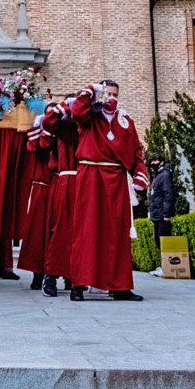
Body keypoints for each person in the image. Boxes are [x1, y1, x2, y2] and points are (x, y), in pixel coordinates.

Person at [68, 80, 149, 302]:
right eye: (107, 93)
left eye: (114, 94)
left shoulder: (125, 120)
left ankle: (120, 286)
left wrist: (139, 174)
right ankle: (79, 284)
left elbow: (135, 151)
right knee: (87, 230)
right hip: (91, 176)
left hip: (116, 180)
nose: (111, 98)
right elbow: (76, 111)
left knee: (117, 233)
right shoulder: (89, 116)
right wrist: (90, 91)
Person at [41, 94, 79, 297]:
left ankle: (76, 277)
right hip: (65, 181)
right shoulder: (61, 126)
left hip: (86, 182)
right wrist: (65, 106)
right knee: (61, 232)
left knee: (82, 234)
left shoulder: (89, 124)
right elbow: (47, 126)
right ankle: (51, 275)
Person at [18, 105, 56, 290]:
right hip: (41, 187)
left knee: (60, 234)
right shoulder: (37, 132)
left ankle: (66, 275)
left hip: (58, 186)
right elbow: (34, 146)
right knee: (37, 234)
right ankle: (37, 274)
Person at [148, 155, 174, 237]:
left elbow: (167, 194)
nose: (153, 163)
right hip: (156, 215)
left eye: (155, 160)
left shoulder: (164, 175)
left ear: (161, 162)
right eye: (151, 161)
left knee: (163, 240)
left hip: (162, 215)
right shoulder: (157, 176)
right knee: (158, 241)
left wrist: (166, 214)